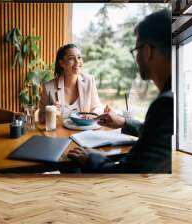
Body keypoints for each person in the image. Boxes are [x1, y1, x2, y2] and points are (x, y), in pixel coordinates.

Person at [67, 9, 173, 173]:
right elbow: (153, 132)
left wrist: (92, 157)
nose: (136, 58)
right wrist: (124, 122)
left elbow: (126, 173)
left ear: (147, 51)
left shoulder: (166, 103)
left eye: (136, 50)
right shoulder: (173, 97)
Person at [38, 44, 103, 122]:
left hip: (84, 131)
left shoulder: (89, 81)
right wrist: (51, 113)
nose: (77, 62)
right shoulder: (48, 87)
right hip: (59, 133)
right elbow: (41, 118)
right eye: (71, 58)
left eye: (79, 57)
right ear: (62, 63)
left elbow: (97, 107)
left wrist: (94, 115)